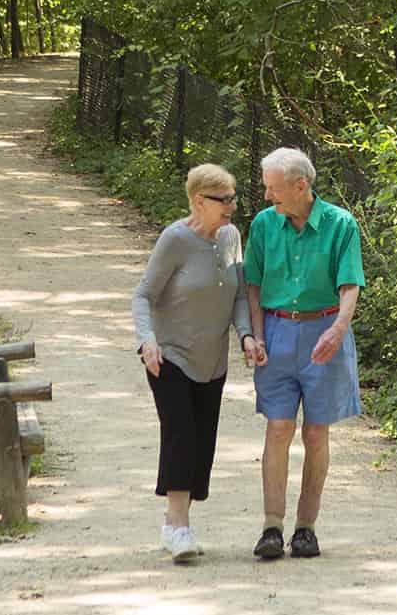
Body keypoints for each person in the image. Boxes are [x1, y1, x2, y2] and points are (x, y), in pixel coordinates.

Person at [238, 146, 364, 560]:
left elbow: (350, 285)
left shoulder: (340, 224)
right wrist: (255, 335)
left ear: (301, 185)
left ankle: (306, 528)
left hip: (324, 331)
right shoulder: (264, 224)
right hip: (276, 331)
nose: (267, 196)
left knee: (315, 432)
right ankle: (271, 527)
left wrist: (338, 328)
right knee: (278, 428)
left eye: (273, 189)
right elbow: (253, 285)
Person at [131, 163, 256, 564]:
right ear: (199, 201)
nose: (233, 207)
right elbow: (144, 295)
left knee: (202, 444)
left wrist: (246, 334)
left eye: (234, 198)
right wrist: (146, 340)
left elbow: (238, 296)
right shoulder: (176, 240)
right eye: (225, 200)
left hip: (212, 358)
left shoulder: (231, 237)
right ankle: (178, 525)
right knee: (180, 436)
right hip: (170, 355)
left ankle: (175, 526)